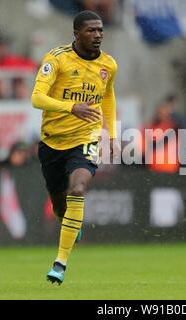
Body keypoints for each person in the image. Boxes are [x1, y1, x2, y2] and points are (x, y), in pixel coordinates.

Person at [31, 10, 118, 285]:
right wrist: (71, 106)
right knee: (60, 207)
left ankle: (60, 262)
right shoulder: (56, 59)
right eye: (91, 30)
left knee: (78, 189)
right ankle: (68, 223)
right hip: (52, 142)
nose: (98, 35)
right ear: (76, 33)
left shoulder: (109, 65)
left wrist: (112, 135)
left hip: (85, 138)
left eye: (100, 30)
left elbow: (108, 96)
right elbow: (36, 98)